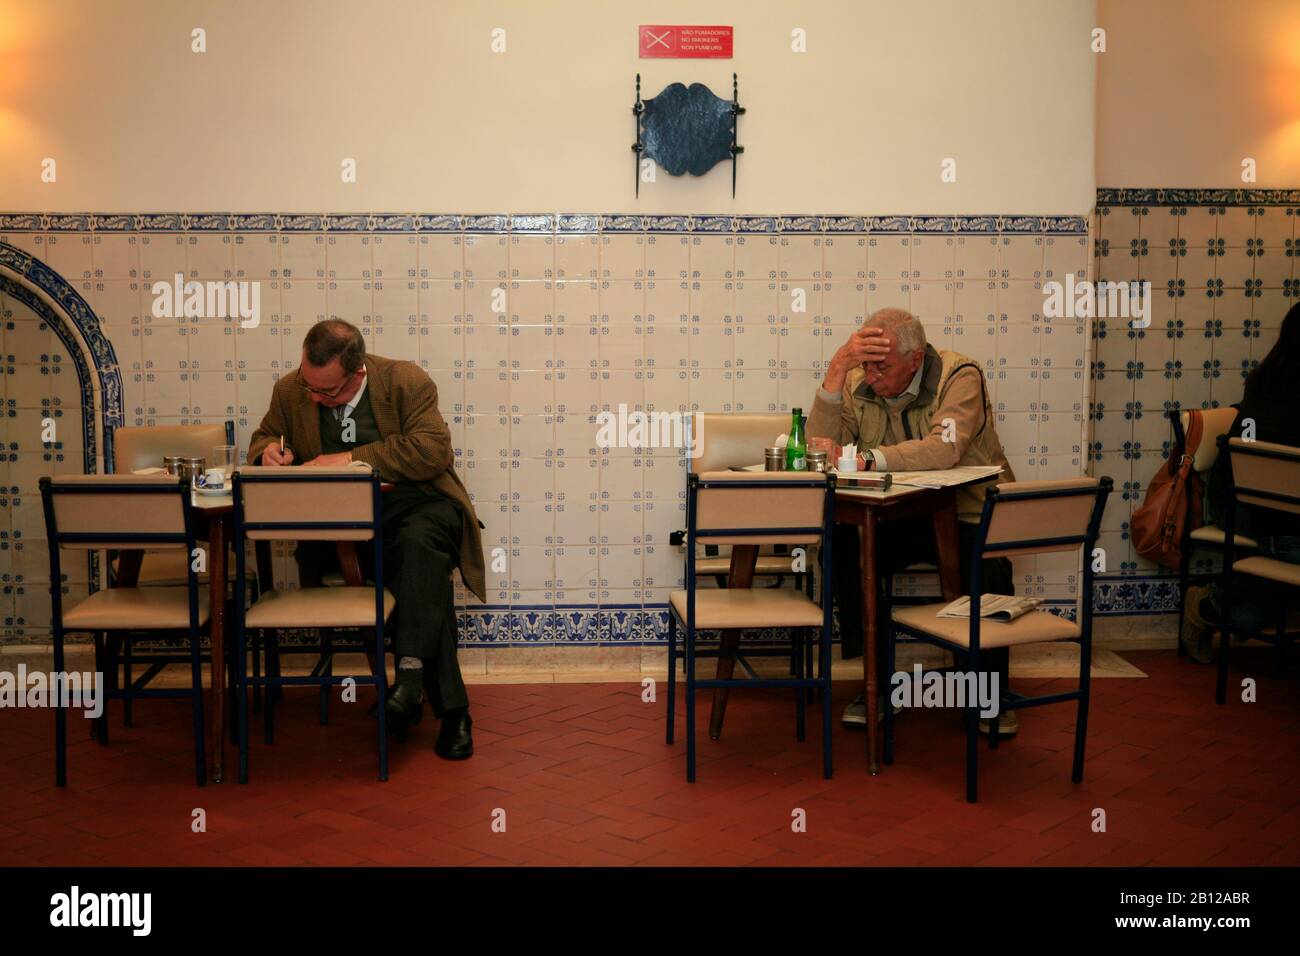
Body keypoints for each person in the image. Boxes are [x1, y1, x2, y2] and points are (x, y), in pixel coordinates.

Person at [247, 320, 486, 759]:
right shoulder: (290, 390)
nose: (316, 398)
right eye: (310, 387)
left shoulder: (404, 380)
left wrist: (348, 458)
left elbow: (433, 450)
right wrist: (266, 451)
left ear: (358, 373)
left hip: (419, 506)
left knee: (419, 548)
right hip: (341, 525)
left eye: (329, 392)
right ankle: (447, 709)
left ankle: (412, 686)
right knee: (424, 579)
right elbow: (264, 435)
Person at [807, 308, 1020, 735]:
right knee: (841, 542)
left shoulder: (960, 376)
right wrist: (835, 373)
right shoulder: (855, 381)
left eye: (881, 366)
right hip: (895, 515)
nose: (870, 374)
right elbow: (818, 449)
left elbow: (943, 449)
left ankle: (987, 692)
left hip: (966, 510)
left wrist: (869, 459)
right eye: (864, 363)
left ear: (916, 358)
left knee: (986, 564)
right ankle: (875, 684)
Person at [1181, 301, 1300, 662]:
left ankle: (1215, 605)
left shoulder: (1263, 382)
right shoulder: (1281, 398)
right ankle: (1213, 604)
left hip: (1250, 506)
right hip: (1261, 513)